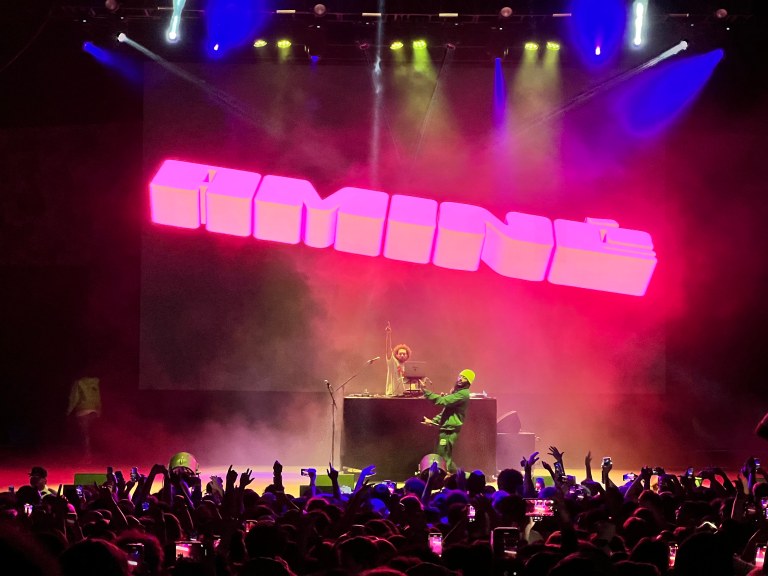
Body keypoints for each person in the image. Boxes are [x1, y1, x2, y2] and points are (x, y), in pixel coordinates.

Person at [420, 369, 475, 473]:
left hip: (450, 430)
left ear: (469, 382)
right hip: (446, 428)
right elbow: (446, 411)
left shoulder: (463, 394)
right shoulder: (457, 392)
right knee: (444, 456)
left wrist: (425, 391)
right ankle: (458, 476)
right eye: (460, 376)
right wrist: (432, 422)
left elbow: (442, 401)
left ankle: (458, 478)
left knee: (444, 457)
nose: (460, 379)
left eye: (464, 378)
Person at [384, 322, 412, 397]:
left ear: (407, 356)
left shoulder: (409, 367)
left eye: (404, 354)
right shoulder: (392, 362)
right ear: (396, 354)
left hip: (406, 397)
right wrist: (388, 334)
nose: (402, 355)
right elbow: (388, 350)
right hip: (392, 395)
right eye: (400, 354)